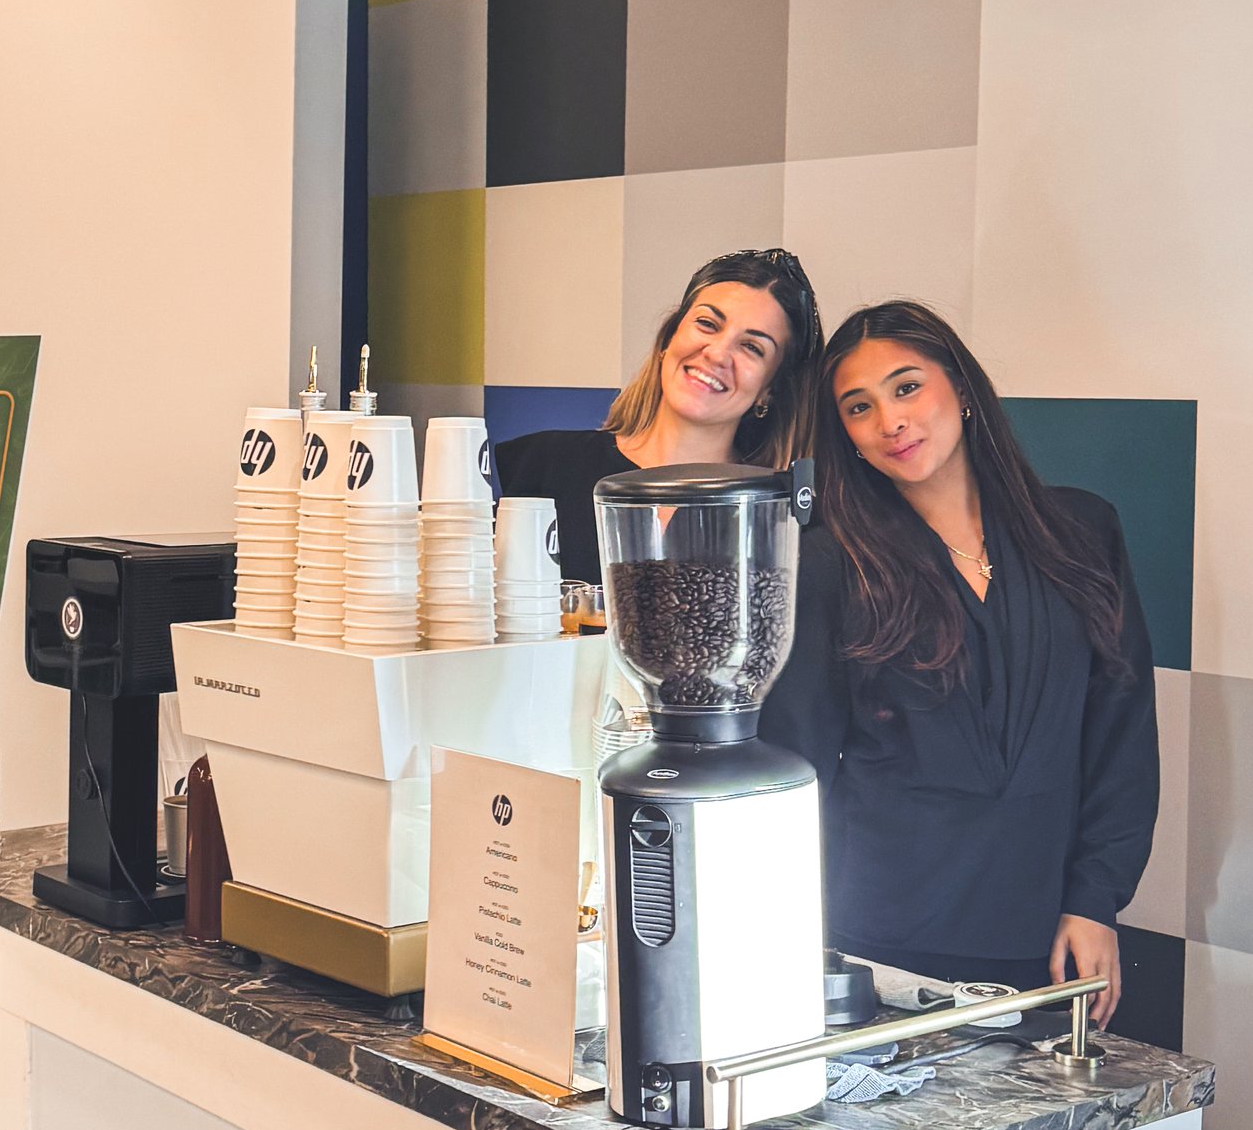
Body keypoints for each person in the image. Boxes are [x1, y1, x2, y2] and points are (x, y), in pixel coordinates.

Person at [759, 299, 1156, 1030]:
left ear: (962, 388)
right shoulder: (829, 563)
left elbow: (1121, 735)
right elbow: (794, 764)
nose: (891, 421)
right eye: (859, 406)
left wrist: (1096, 898)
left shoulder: (1082, 532)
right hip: (877, 948)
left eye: (907, 387)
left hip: (1049, 939)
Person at [494, 249, 825, 587]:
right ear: (669, 338)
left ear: (770, 389)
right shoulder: (544, 465)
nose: (717, 354)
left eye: (752, 347)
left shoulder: (780, 517)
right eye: (707, 324)